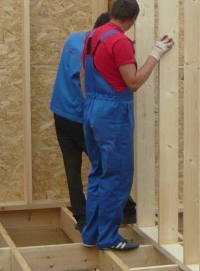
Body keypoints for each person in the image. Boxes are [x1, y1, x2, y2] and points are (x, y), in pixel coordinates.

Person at [80, 0, 173, 251]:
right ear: (133, 18)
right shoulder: (120, 41)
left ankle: (92, 234)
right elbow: (133, 82)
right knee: (117, 176)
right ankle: (109, 238)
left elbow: (84, 75)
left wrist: (93, 107)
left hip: (92, 109)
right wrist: (155, 54)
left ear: (113, 13)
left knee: (99, 173)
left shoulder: (93, 36)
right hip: (112, 113)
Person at [50, 12, 138, 231]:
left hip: (60, 112)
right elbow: (91, 82)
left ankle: (82, 218)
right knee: (107, 164)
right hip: (79, 116)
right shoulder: (94, 50)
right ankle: (127, 209)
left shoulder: (74, 40)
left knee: (72, 167)